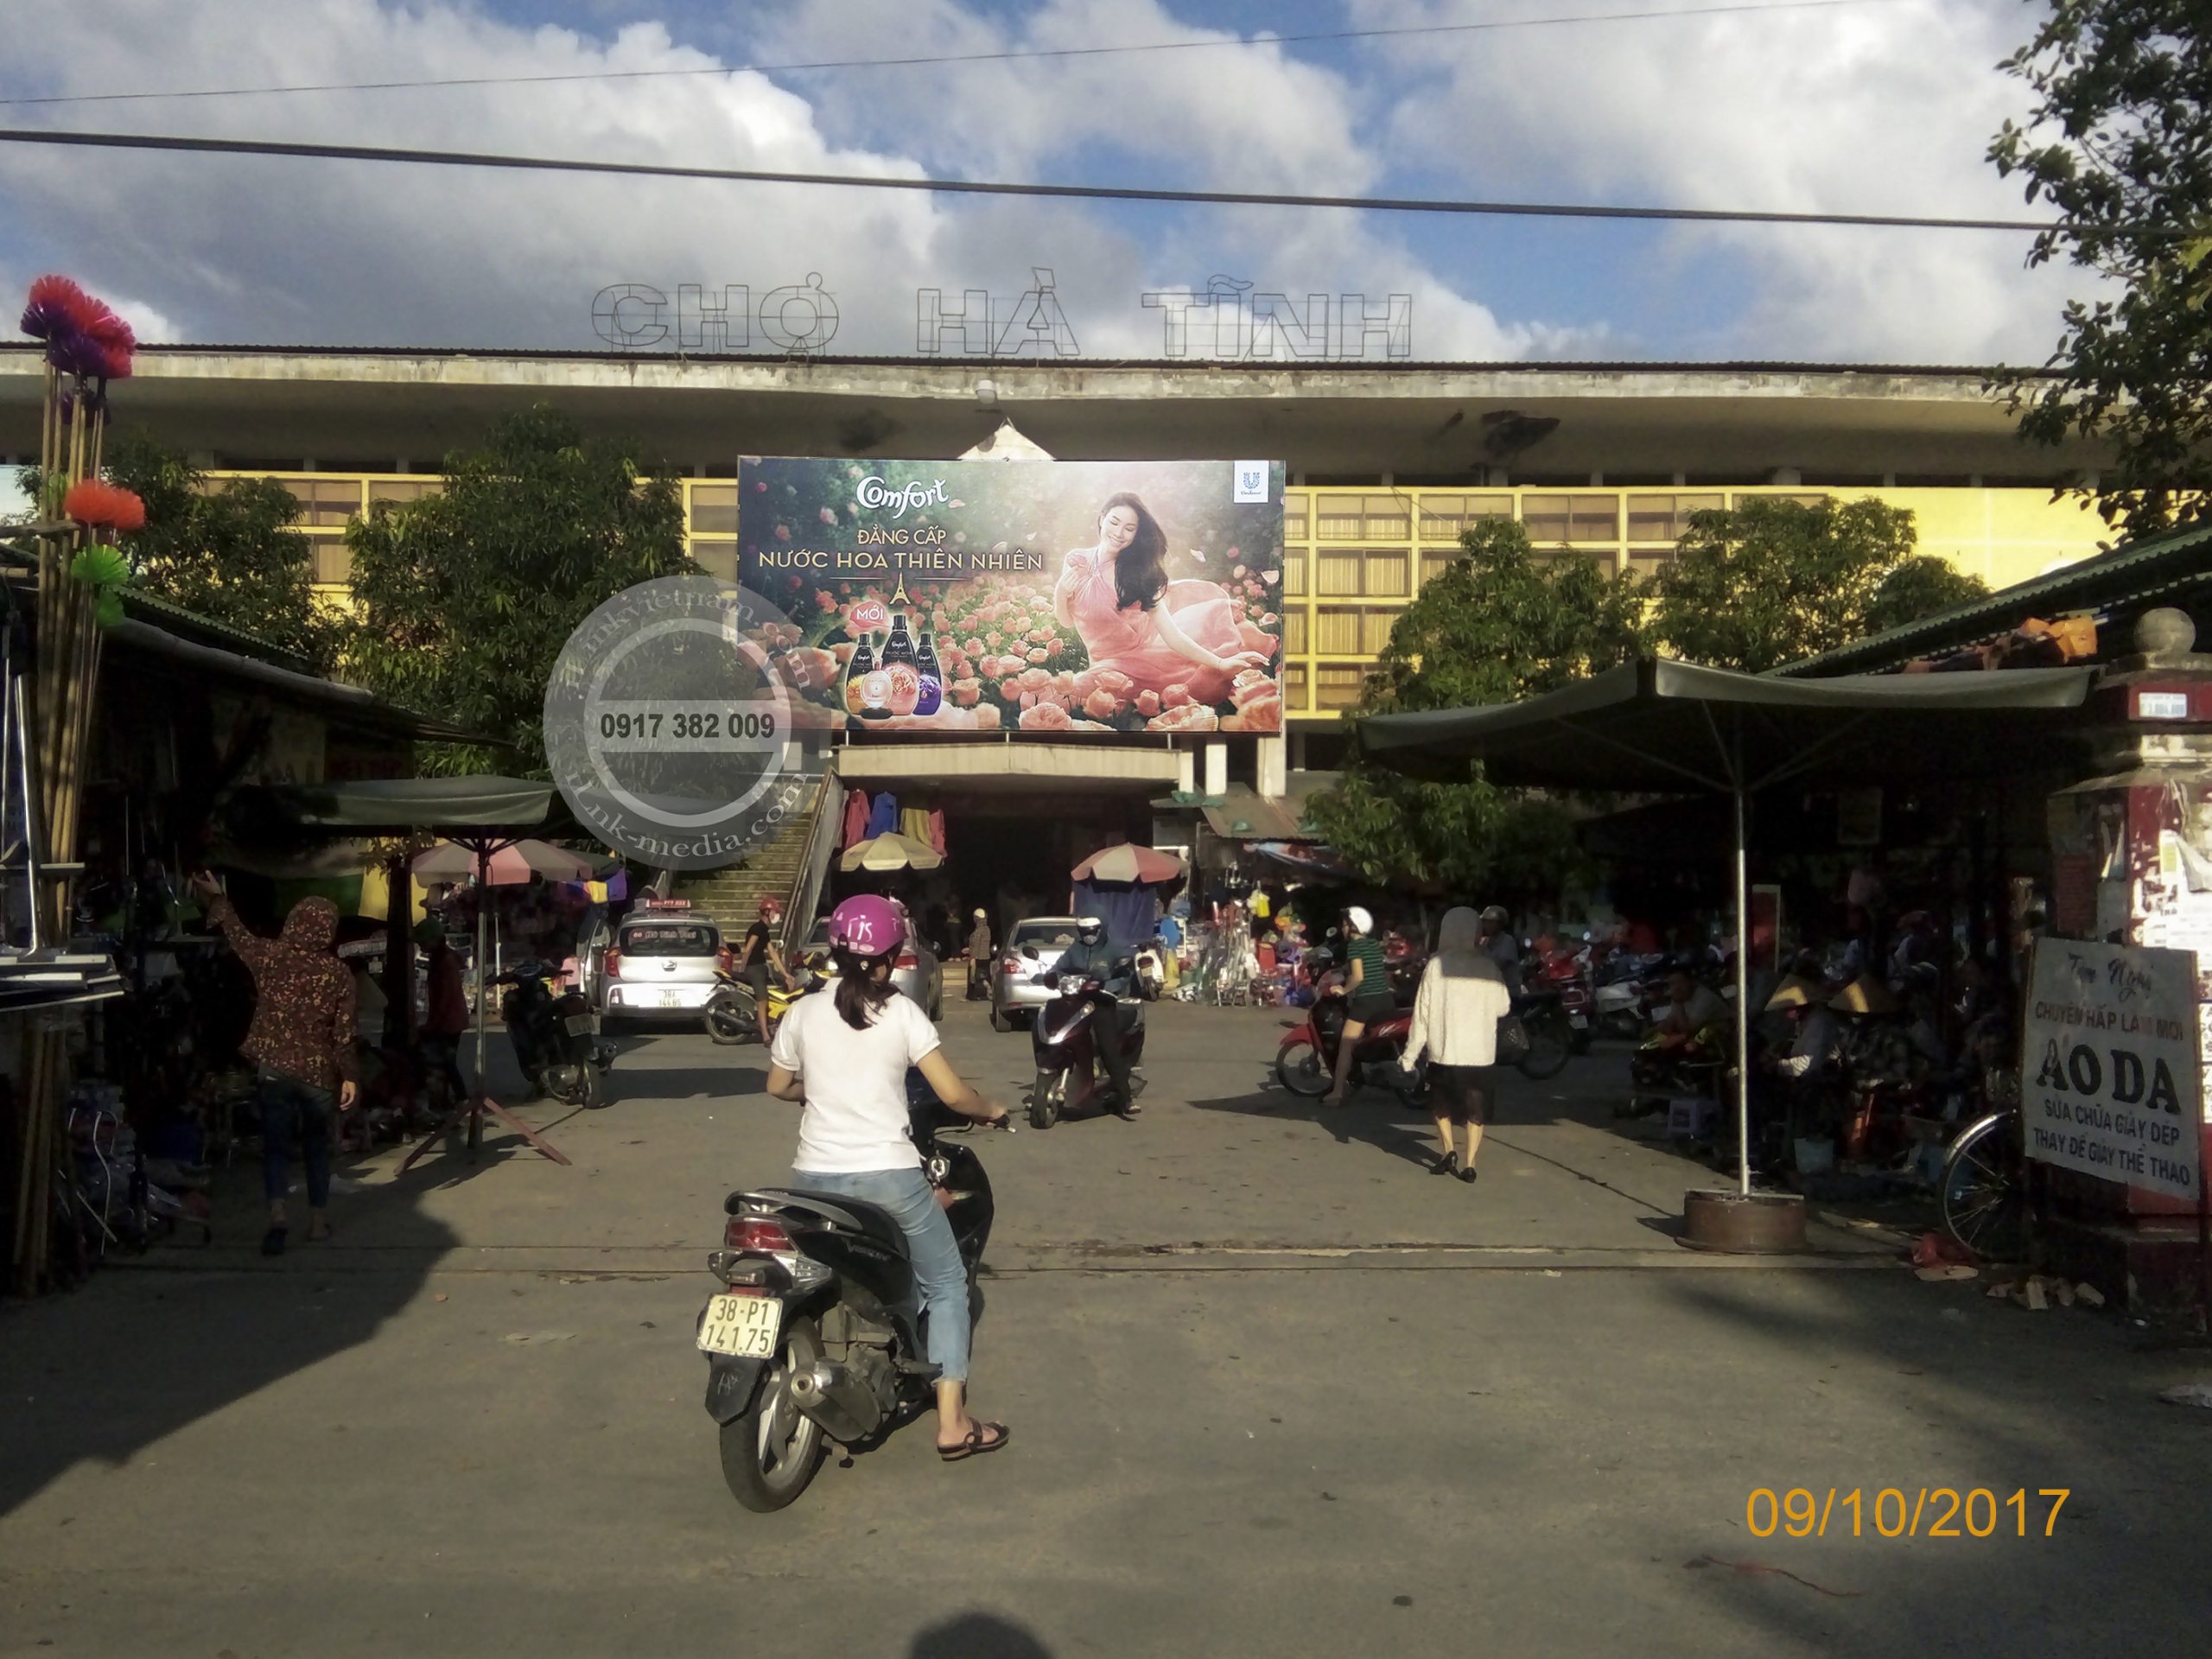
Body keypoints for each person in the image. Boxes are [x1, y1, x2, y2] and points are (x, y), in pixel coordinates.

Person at [764, 896, 1011, 1462]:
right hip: (889, 1179)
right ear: (891, 958)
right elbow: (951, 1095)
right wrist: (989, 1110)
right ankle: (953, 1423)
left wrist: (821, 1092)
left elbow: (778, 1086)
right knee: (949, 1284)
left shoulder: (802, 1012)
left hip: (812, 1179)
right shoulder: (900, 1013)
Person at [188, 874, 358, 1255]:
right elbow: (345, 1033)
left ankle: (278, 1217)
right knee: (317, 1147)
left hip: (275, 1070)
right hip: (318, 1074)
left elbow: (236, 934)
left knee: (276, 1146)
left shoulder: (271, 957)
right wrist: (350, 1077)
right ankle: (316, 1222)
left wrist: (217, 898)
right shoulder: (338, 974)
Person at [1051, 492, 1273, 704]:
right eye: (1114, 522)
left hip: (1135, 662)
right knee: (1056, 696)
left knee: (1063, 696)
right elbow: (1067, 621)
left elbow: (1172, 635)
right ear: (1102, 518)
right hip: (1101, 664)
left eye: (1129, 529)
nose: (1119, 533)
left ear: (1136, 534)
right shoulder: (1076, 560)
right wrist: (1061, 592)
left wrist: (1220, 662)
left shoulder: (1139, 575)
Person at [1401, 908, 1514, 1182]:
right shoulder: (1488, 966)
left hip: (1444, 1052)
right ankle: (1471, 1164)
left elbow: (1422, 1014)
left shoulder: (1436, 966)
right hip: (1479, 1054)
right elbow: (1503, 1006)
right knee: (1476, 1110)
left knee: (1442, 1106)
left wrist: (1409, 1054)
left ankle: (1449, 1151)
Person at [1049, 917, 1141, 1116]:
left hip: (1102, 1003)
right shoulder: (1075, 949)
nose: (1088, 936)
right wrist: (1049, 976)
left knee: (1108, 1048)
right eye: (1084, 932)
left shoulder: (1113, 949)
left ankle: (1126, 1098)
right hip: (1077, 1003)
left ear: (1101, 929)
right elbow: (1059, 967)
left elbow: (1126, 972)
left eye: (1092, 931)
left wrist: (1110, 985)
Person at [1323, 905, 1394, 1106]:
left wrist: (1343, 990)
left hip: (1367, 1002)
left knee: (1346, 1044)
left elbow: (1359, 977)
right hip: (1385, 999)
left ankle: (1337, 1093)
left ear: (1354, 926)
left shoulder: (1354, 947)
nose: (1343, 927)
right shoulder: (1372, 944)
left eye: (1345, 924)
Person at [416, 918, 469, 1116]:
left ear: (434, 939)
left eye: (423, 941)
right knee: (445, 1061)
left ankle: (461, 1098)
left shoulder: (445, 961)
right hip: (448, 1018)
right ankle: (448, 1100)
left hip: (449, 1020)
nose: (421, 946)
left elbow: (446, 996)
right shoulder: (440, 959)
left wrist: (433, 1024)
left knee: (446, 1061)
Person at [739, 897, 791, 1041]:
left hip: (761, 969)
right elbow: (748, 948)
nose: (777, 915)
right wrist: (742, 968)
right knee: (763, 1001)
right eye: (775, 912)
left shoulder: (764, 930)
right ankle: (766, 1036)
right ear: (767, 912)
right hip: (754, 969)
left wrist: (785, 974)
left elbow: (772, 953)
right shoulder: (758, 928)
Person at [1478, 905, 1522, 997]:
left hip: (1507, 993)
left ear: (1500, 924)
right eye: (1485, 922)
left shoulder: (1507, 941)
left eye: (1491, 922)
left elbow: (1498, 965)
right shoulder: (1484, 942)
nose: (1487, 925)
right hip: (1490, 992)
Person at [964, 906, 994, 1000]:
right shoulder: (986, 929)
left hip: (978, 957)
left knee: (974, 977)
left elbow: (977, 944)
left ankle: (973, 995)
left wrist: (973, 957)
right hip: (984, 956)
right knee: (981, 976)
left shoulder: (980, 930)